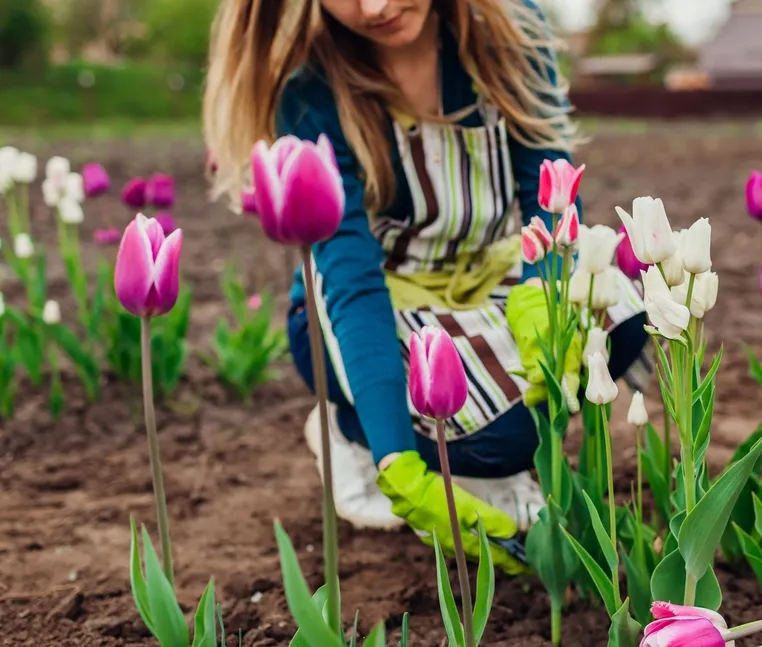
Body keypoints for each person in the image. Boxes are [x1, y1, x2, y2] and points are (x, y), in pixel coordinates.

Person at [202, 0, 651, 574]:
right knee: (506, 441)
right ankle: (355, 435)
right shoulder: (314, 92)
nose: (376, 7)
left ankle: (461, 453)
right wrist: (399, 463)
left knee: (623, 316)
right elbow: (353, 281)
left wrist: (545, 295)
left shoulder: (513, 36)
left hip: (489, 281)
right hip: (376, 309)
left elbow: (551, 194)